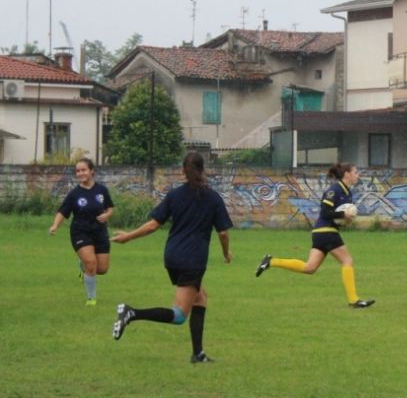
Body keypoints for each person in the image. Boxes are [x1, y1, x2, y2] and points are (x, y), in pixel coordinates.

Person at [111, 152, 233, 364]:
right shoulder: (213, 198)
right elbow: (223, 233)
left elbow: (153, 224)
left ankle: (198, 354)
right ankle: (131, 313)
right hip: (193, 260)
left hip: (172, 256)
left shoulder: (174, 195)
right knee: (178, 315)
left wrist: (127, 237)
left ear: (182, 171)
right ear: (203, 170)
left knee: (200, 298)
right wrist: (226, 253)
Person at [256, 162, 375, 309]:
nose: (358, 175)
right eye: (356, 172)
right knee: (347, 261)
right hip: (326, 232)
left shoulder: (347, 192)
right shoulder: (335, 190)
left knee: (309, 268)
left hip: (321, 232)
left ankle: (271, 261)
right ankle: (353, 300)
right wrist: (344, 214)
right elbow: (325, 212)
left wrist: (345, 220)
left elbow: (337, 217)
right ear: (347, 174)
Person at [49, 158, 114, 306]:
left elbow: (110, 207)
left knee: (102, 269)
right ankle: (91, 298)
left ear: (92, 171)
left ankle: (82, 265)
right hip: (80, 231)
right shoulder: (74, 194)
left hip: (100, 232)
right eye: (78, 171)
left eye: (83, 170)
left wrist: (107, 215)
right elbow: (63, 212)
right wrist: (55, 225)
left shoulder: (102, 190)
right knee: (91, 264)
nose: (80, 173)